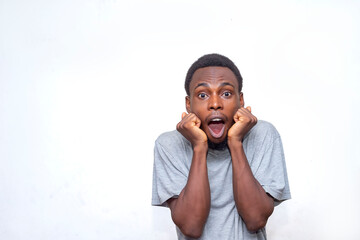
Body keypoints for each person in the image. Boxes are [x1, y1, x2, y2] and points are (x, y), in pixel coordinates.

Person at [152, 53, 291, 240]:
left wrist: (236, 142)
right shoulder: (168, 144)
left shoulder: (263, 134)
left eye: (226, 93)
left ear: (240, 101)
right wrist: (199, 147)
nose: (215, 104)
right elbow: (191, 227)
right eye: (202, 95)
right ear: (188, 104)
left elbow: (255, 219)